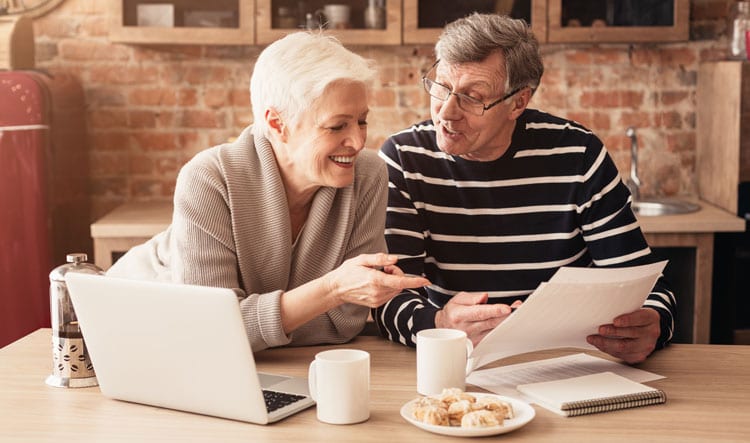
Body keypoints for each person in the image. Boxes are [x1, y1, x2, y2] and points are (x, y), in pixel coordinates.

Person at [373, 13, 675, 364]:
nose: (447, 112)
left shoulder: (578, 155)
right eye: (441, 87)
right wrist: (438, 323)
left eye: (473, 97)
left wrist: (654, 322)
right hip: (456, 361)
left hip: (566, 360)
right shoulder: (404, 158)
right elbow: (388, 297)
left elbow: (643, 284)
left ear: (518, 102)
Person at [107, 32, 429, 351]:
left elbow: (344, 323)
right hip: (131, 333)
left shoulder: (368, 175)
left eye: (361, 121)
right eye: (337, 126)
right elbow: (210, 332)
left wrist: (246, 323)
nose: (358, 142)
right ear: (277, 124)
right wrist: (331, 290)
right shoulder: (208, 179)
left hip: (258, 364)